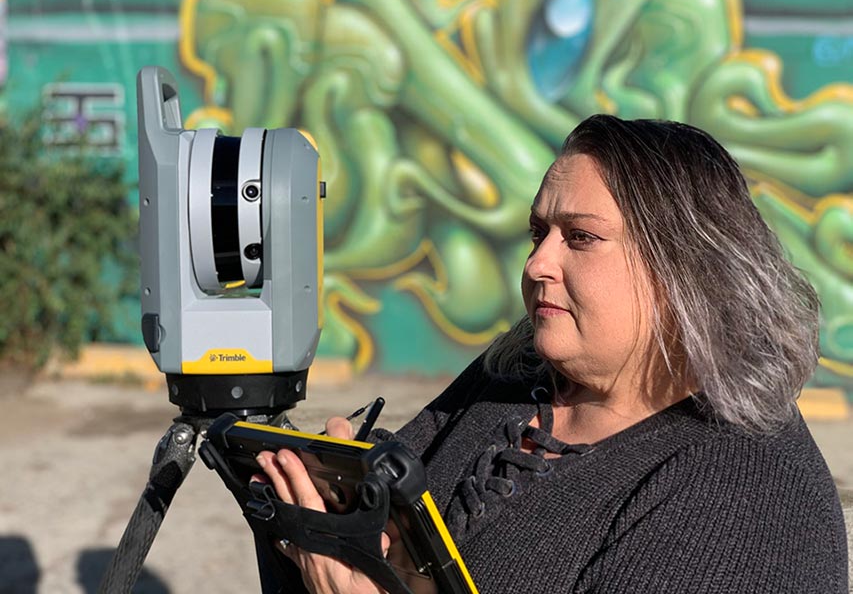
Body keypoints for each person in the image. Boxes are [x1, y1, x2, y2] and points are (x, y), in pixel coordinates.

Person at [255, 114, 849, 593]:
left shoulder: (747, 501)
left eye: (581, 237)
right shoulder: (512, 379)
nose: (538, 264)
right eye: (539, 233)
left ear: (684, 267)